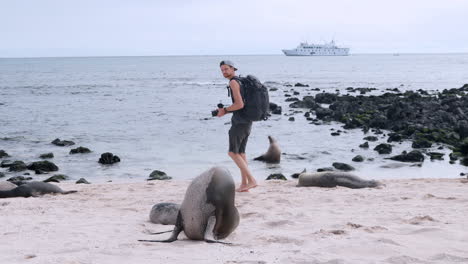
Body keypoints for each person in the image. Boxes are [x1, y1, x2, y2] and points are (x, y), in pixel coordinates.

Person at [216, 60, 258, 192]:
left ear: (233, 69)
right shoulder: (241, 81)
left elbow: (239, 104)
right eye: (222, 70)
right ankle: (245, 184)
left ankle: (252, 180)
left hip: (240, 122)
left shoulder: (233, 82)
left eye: (226, 69)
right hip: (247, 120)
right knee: (241, 152)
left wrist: (225, 111)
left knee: (232, 152)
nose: (224, 72)